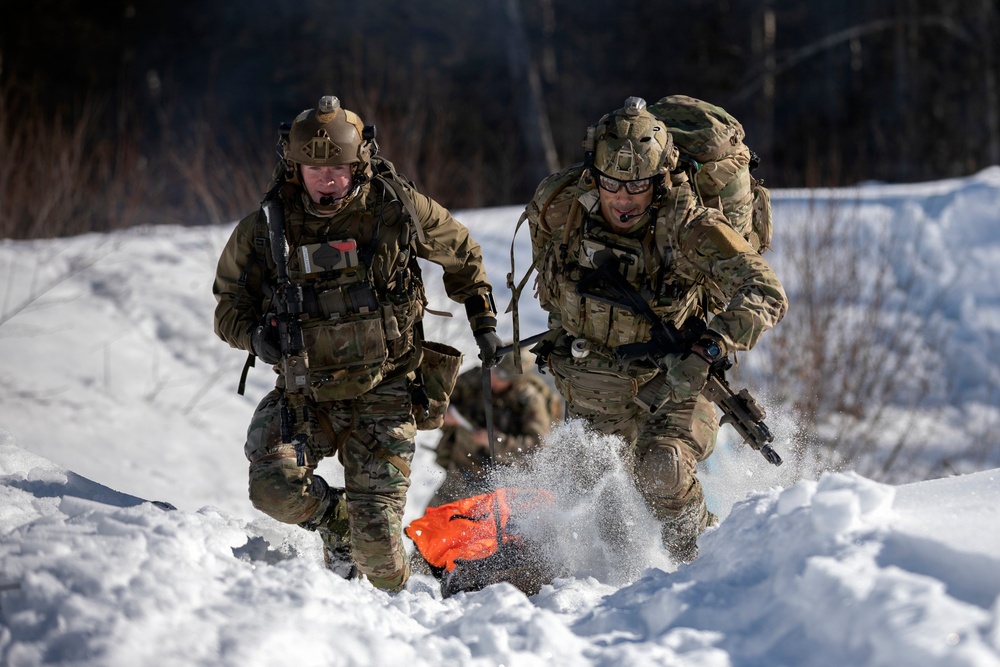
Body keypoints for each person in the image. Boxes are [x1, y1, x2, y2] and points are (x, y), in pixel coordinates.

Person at [213, 95, 502, 592]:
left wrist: (483, 319)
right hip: (307, 394)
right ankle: (339, 523)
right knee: (274, 487)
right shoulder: (265, 228)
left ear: (359, 163)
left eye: (339, 169)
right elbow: (227, 307)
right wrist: (258, 337)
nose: (327, 180)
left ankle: (410, 594)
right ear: (295, 167)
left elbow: (461, 251)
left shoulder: (397, 208)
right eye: (315, 170)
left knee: (382, 567)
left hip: (386, 392)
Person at [525, 96, 788, 563]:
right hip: (595, 386)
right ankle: (608, 593)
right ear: (593, 175)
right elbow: (553, 282)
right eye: (611, 183)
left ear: (661, 180)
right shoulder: (559, 206)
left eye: (638, 186)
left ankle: (706, 564)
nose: (623, 199)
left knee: (661, 470)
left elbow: (765, 291)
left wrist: (710, 348)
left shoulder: (688, 226)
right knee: (591, 502)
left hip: (676, 381)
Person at [428, 351, 563, 507]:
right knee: (433, 518)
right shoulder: (475, 379)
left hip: (497, 486)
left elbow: (537, 448)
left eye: (502, 375)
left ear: (516, 380)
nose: (494, 377)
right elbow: (437, 400)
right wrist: (443, 414)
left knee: (470, 521)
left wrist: (494, 441)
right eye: (493, 368)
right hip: (459, 471)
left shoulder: (528, 400)